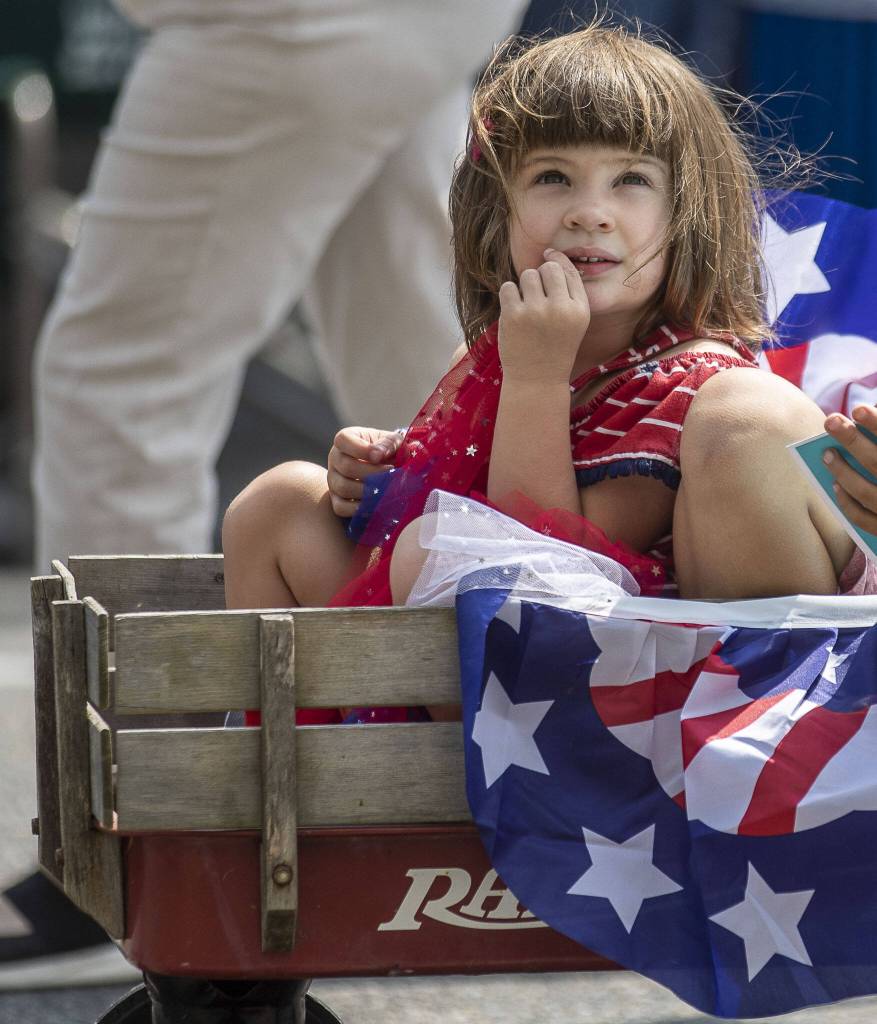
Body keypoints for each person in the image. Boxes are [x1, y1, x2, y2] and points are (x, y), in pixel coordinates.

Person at [222, 19, 877, 648]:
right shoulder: (493, 355)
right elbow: (456, 494)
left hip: (596, 696)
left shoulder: (689, 388)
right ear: (493, 211)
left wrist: (534, 378)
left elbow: (537, 566)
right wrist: (379, 467)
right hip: (459, 664)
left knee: (446, 555)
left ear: (685, 217)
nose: (589, 213)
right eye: (551, 178)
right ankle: (281, 752)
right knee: (277, 500)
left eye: (630, 181)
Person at [31, 0, 528, 569]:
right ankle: (496, 632)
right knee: (428, 374)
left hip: (286, 19)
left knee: (121, 374)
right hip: (382, 21)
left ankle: (138, 655)